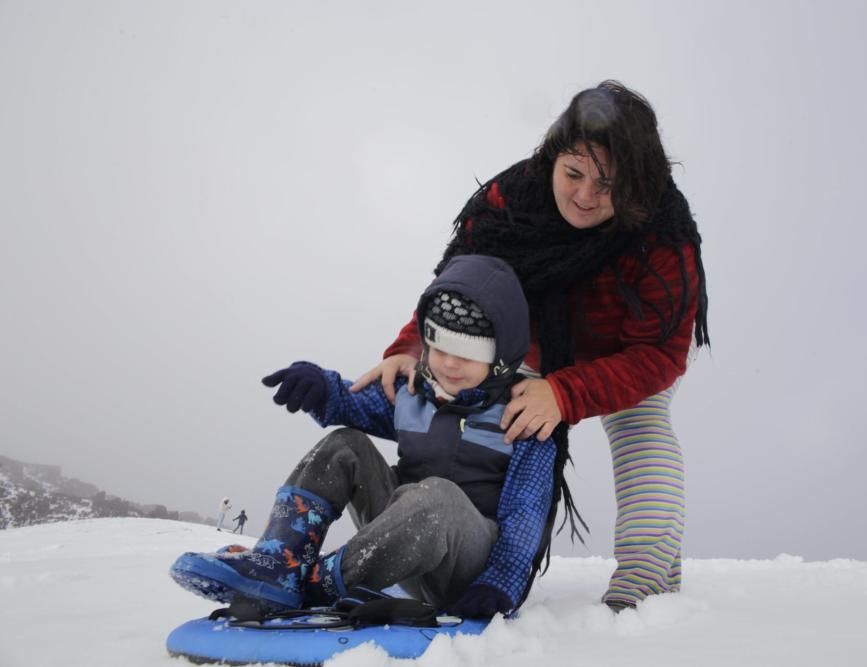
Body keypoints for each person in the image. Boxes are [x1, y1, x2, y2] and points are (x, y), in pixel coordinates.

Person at [353, 80, 709, 611]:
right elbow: (461, 288)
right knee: (484, 417)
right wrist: (409, 347)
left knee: (642, 429)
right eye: (573, 173)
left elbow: (659, 354)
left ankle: (646, 580)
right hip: (532, 338)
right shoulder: (509, 201)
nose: (585, 196)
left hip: (630, 353)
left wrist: (566, 394)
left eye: (607, 184)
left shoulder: (664, 236)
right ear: (553, 156)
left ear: (637, 183)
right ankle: (458, 546)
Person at [169, 255, 572, 619]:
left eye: (467, 354)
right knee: (346, 443)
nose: (449, 363)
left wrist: (499, 583)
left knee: (437, 495)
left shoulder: (525, 417)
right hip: (398, 548)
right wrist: (322, 389)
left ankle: (320, 584)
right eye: (440, 346)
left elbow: (526, 515)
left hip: (468, 568)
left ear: (500, 357)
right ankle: (279, 561)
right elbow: (354, 403)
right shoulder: (417, 393)